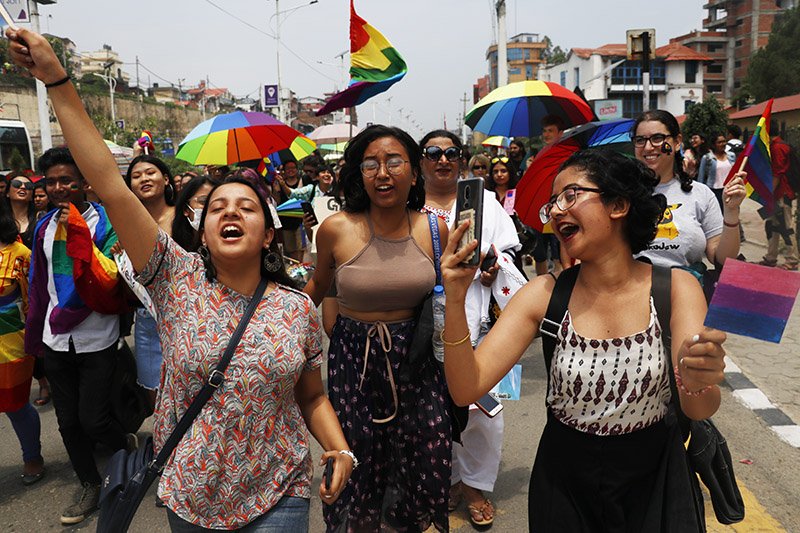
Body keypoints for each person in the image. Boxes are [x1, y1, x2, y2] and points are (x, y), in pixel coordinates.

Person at [6, 28, 354, 532]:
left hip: (281, 491)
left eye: (246, 208)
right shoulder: (175, 276)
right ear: (204, 230)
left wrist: (338, 447)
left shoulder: (296, 309)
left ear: (267, 234)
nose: (230, 213)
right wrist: (58, 79)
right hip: (191, 492)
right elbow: (107, 180)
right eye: (217, 208)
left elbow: (312, 397)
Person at [441, 149, 728, 532]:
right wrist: (456, 298)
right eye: (552, 204)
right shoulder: (544, 294)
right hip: (564, 484)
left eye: (570, 196)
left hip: (655, 477)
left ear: (619, 205)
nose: (557, 211)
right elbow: (465, 389)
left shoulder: (676, 288)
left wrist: (698, 379)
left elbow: (699, 408)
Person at [304, 124, 451, 532]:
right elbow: (318, 287)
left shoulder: (435, 229)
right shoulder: (335, 228)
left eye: (393, 162)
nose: (382, 173)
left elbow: (447, 300)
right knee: (358, 463)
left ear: (414, 171)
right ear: (359, 173)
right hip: (354, 360)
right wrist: (273, 324)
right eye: (370, 164)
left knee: (421, 457)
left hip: (417, 361)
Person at [419, 129, 524, 528]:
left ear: (460, 159)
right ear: (421, 161)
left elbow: (508, 249)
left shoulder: (485, 202)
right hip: (422, 321)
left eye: (450, 152)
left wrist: (494, 265)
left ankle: (476, 485)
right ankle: (447, 478)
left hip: (476, 317)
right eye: (433, 153)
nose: (442, 159)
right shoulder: (409, 207)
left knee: (482, 409)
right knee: (431, 408)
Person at [25, 144, 133, 525]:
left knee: (95, 421)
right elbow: (40, 285)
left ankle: (130, 453)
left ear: (84, 182)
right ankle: (90, 484)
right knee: (68, 422)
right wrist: (36, 331)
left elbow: (108, 277)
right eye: (51, 181)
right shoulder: (42, 226)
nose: (57, 188)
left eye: (66, 180)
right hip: (56, 339)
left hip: (96, 336)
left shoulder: (105, 222)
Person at [632, 110, 745, 278]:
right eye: (640, 140)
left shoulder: (701, 194)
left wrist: (731, 213)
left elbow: (722, 259)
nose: (648, 147)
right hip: (630, 298)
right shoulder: (621, 193)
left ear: (677, 142)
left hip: (686, 297)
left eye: (657, 138)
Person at [121, 154, 176, 408]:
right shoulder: (125, 226)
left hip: (188, 312)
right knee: (156, 395)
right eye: (136, 176)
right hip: (147, 319)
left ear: (166, 179)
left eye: (150, 173)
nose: (144, 178)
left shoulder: (185, 217)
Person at [0, 205, 45, 486]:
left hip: (10, 343)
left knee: (15, 405)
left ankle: (32, 456)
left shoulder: (20, 254)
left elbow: (36, 298)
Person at [760, 128, 798, 270]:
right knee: (772, 226)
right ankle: (771, 257)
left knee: (786, 226)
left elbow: (777, 173)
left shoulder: (778, 148)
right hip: (777, 194)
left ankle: (792, 260)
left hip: (781, 194)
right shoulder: (778, 146)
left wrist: (768, 193)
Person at [274, 160, 307, 261]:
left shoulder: (303, 181)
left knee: (301, 248)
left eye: (293, 168)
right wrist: (276, 190)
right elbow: (278, 202)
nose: (291, 170)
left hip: (300, 222)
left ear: (297, 169)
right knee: (290, 249)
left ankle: (301, 270)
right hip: (286, 222)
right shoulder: (279, 183)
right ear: (283, 171)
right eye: (288, 168)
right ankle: (296, 270)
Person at [698, 132, 735, 211]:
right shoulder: (707, 158)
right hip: (715, 191)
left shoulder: (731, 156)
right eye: (719, 142)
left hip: (730, 190)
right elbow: (701, 177)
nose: (723, 144)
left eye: (724, 141)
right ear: (714, 144)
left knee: (732, 212)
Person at [4, 172, 37, 248]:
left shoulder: (40, 219)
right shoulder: (2, 220)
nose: (23, 187)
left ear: (32, 196)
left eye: (28, 186)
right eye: (16, 184)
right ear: (7, 193)